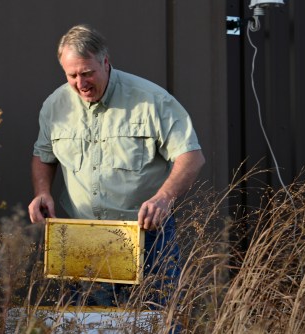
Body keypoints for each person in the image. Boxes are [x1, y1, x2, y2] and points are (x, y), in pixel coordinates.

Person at [28, 24, 205, 307]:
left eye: (87, 73)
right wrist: (42, 192)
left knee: (156, 320)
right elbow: (43, 156)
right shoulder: (55, 105)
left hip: (148, 236)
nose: (80, 83)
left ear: (106, 63)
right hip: (84, 237)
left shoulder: (151, 100)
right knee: (90, 323)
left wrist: (163, 198)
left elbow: (191, 156)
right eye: (71, 75)